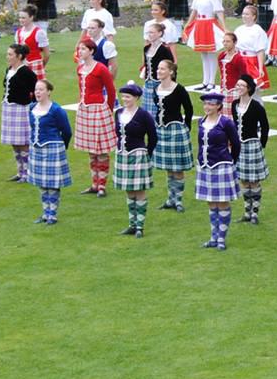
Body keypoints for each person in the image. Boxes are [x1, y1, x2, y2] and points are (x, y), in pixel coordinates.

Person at [194, 90, 243, 248]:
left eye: (211, 104)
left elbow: (236, 144)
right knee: (211, 202)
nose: (207, 106)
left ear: (219, 106)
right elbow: (200, 144)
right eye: (206, 103)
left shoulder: (225, 122)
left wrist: (230, 161)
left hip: (221, 165)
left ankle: (221, 238)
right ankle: (213, 237)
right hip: (205, 165)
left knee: (222, 203)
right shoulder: (201, 121)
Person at [74, 37, 118, 197]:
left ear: (92, 51)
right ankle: (94, 183)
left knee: (102, 150)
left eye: (84, 49)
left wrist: (109, 110)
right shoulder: (80, 68)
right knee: (91, 150)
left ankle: (102, 186)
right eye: (80, 49)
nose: (80, 52)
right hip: (85, 110)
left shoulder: (100, 68)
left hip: (99, 110)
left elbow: (111, 90)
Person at [113, 82, 158, 237]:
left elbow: (153, 137)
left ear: (136, 98)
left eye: (128, 96)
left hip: (138, 155)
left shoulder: (144, 115)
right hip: (122, 155)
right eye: (124, 96)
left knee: (139, 190)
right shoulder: (118, 113)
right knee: (128, 190)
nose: (125, 99)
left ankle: (140, 226)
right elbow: (117, 134)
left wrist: (147, 153)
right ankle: (132, 224)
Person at [151, 57, 195, 213]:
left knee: (177, 168)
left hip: (175, 129)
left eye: (162, 69)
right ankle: (170, 199)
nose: (159, 71)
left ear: (171, 72)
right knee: (169, 168)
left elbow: (189, 109)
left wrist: (186, 126)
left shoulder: (179, 89)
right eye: (158, 69)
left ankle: (178, 200)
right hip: (161, 130)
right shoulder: (155, 89)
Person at [27, 79, 72, 225]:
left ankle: (52, 214)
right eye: (36, 89)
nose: (37, 92)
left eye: (41, 89)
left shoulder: (56, 110)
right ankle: (45, 213)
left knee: (52, 184)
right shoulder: (32, 107)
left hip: (53, 147)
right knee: (42, 182)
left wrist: (61, 147)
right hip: (36, 147)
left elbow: (67, 131)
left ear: (48, 92)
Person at [232, 75, 272, 223]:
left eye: (242, 85)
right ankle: (246, 212)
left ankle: (254, 212)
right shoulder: (234, 104)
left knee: (253, 181)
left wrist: (261, 144)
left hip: (252, 145)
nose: (238, 88)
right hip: (239, 146)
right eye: (237, 85)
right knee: (243, 180)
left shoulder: (256, 106)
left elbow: (265, 127)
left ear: (249, 88)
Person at [0, 44, 37, 183]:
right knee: (14, 142)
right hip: (9, 109)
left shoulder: (26, 72)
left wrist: (33, 106)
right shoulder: (9, 69)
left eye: (10, 54)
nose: (7, 57)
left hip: (21, 108)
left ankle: (27, 172)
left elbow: (36, 90)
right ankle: (19, 171)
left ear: (19, 56)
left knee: (23, 142)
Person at [185, 0, 228, 91]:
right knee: (203, 53)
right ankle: (205, 81)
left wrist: (224, 28)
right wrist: (188, 24)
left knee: (211, 53)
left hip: (209, 24)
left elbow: (219, 12)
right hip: (200, 24)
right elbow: (194, 11)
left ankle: (211, 81)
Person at [232, 5, 272, 92]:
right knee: (240, 89)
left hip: (251, 61)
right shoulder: (239, 29)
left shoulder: (258, 30)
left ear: (253, 16)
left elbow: (260, 51)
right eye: (243, 14)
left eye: (247, 14)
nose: (244, 16)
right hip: (240, 60)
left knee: (252, 89)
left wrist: (260, 68)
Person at [141, 21, 175, 117]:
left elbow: (171, 67)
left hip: (160, 83)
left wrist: (169, 84)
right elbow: (146, 65)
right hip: (148, 83)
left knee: (159, 111)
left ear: (160, 33)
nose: (149, 35)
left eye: (152, 32)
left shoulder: (164, 50)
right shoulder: (146, 48)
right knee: (147, 112)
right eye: (148, 33)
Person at [12, 6, 49, 82]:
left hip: (35, 64)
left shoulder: (39, 32)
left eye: (23, 18)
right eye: (20, 18)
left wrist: (41, 65)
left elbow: (47, 54)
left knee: (37, 90)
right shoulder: (18, 32)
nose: (21, 20)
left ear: (31, 17)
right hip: (22, 65)